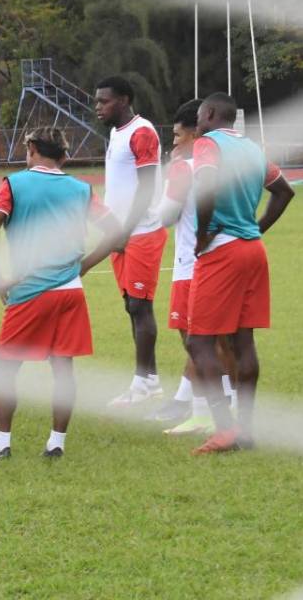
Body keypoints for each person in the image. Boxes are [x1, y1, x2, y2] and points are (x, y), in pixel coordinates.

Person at [0, 128, 119, 459]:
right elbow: (116, 231)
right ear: (63, 156)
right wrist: (83, 266)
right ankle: (56, 443)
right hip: (70, 290)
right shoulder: (81, 189)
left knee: (7, 369)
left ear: (32, 149)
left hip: (30, 290)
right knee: (63, 368)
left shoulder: (13, 184)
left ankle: (2, 445)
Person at [187, 93, 294, 455]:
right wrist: (257, 228)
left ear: (212, 113)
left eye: (200, 115)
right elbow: (284, 191)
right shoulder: (252, 149)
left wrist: (201, 235)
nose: (197, 121)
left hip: (222, 252)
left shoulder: (207, 144)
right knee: (242, 340)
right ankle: (244, 429)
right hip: (252, 251)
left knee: (199, 341)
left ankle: (225, 429)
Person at [154, 100, 238, 434]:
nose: (173, 142)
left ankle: (204, 413)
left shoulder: (185, 168)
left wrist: (168, 177)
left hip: (193, 265)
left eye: (176, 135)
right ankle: (229, 404)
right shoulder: (229, 163)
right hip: (229, 259)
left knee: (197, 342)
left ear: (194, 131)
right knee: (225, 341)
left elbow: (165, 216)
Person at [94, 75, 168, 407]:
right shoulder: (116, 133)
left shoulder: (142, 132)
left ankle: (142, 384)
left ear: (124, 100)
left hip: (141, 232)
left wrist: (125, 228)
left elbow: (147, 186)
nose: (98, 107)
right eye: (97, 101)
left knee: (141, 305)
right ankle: (149, 382)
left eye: (104, 101)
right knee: (131, 305)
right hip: (122, 234)